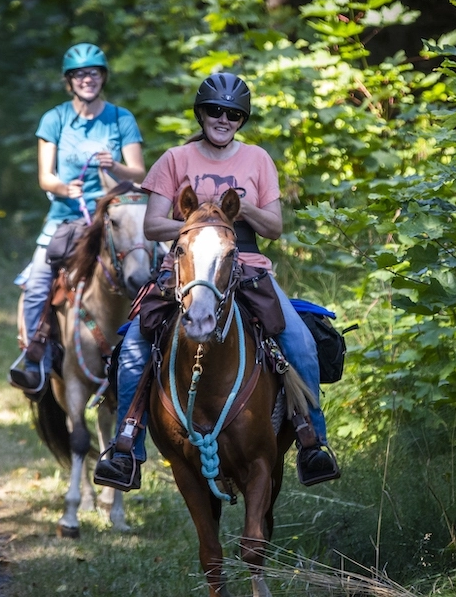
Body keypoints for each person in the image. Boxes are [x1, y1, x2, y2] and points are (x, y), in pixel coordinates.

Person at [93, 72, 340, 489]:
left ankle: (313, 441)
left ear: (241, 119)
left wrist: (240, 211)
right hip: (185, 268)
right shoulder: (174, 159)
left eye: (232, 114)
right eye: (214, 111)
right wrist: (199, 228)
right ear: (202, 114)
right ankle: (126, 446)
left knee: (300, 341)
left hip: (245, 265)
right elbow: (153, 226)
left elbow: (275, 227)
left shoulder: (258, 160)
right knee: (135, 344)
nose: (222, 119)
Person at [9, 43, 146, 393]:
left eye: (94, 73)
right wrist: (61, 187)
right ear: (69, 82)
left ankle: (159, 351)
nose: (88, 80)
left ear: (103, 77)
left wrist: (112, 166)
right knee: (39, 281)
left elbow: (139, 176)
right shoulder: (54, 119)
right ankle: (34, 360)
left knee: (149, 271)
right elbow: (45, 176)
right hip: (64, 221)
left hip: (112, 221)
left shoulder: (120, 119)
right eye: (80, 75)